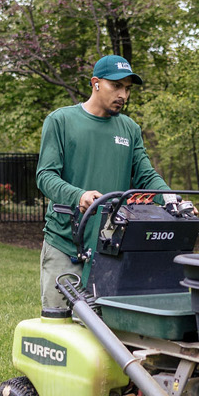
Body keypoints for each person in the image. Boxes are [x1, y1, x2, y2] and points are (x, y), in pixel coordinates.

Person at [35, 54, 172, 312]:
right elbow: (45, 176)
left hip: (110, 246)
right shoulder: (61, 121)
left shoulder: (130, 129)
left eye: (128, 89)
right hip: (66, 241)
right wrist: (79, 195)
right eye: (116, 86)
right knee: (60, 326)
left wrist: (171, 199)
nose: (123, 95)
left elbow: (146, 177)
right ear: (95, 83)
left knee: (106, 331)